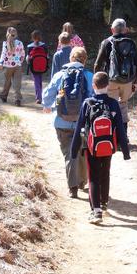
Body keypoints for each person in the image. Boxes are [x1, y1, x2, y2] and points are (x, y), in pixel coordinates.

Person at [71, 72, 130, 224]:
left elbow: (78, 129)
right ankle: (104, 201)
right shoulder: (113, 103)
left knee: (93, 176)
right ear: (108, 86)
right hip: (109, 146)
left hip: (91, 147)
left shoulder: (87, 103)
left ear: (93, 86)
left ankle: (96, 211)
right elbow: (121, 129)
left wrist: (74, 149)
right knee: (105, 172)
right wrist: (125, 151)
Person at [42, 47, 93, 198]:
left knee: (69, 154)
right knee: (83, 152)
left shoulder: (59, 75)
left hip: (62, 122)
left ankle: (73, 187)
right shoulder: (89, 76)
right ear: (84, 60)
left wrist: (48, 106)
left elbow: (46, 97)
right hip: (83, 123)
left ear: (71, 58)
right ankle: (83, 180)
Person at [94, 18, 137, 140]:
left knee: (110, 107)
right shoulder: (131, 43)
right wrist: (134, 82)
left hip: (111, 81)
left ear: (112, 29)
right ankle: (123, 137)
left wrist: (97, 81)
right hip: (127, 81)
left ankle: (110, 137)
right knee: (123, 106)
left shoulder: (106, 42)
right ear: (125, 30)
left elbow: (97, 64)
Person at [0, 27, 25, 106]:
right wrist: (20, 61)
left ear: (7, 34)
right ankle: (17, 99)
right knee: (17, 83)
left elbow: (3, 54)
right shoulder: (20, 43)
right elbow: (22, 53)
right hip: (17, 65)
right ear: (16, 34)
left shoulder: (5, 43)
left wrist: (1, 63)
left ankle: (4, 96)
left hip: (7, 66)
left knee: (7, 82)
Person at [26, 30, 48, 104]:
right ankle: (40, 95)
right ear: (40, 37)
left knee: (36, 81)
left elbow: (28, 58)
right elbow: (47, 56)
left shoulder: (30, 46)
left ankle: (39, 97)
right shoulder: (44, 46)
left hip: (33, 67)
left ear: (32, 37)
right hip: (42, 66)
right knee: (40, 80)